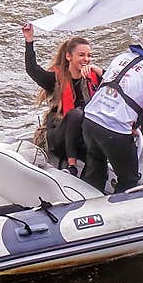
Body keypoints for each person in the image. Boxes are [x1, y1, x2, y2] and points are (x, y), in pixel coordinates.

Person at [81, 23, 143, 193]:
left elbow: (112, 88)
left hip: (90, 119)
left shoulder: (123, 57)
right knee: (129, 179)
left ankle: (89, 207)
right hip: (113, 129)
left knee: (95, 170)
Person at [22, 24, 102, 176]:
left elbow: (115, 86)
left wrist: (97, 69)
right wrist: (29, 41)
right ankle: (71, 166)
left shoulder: (93, 78)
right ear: (69, 56)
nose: (86, 59)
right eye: (81, 55)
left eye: (89, 56)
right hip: (59, 136)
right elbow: (33, 70)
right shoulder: (55, 79)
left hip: (83, 136)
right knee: (77, 114)